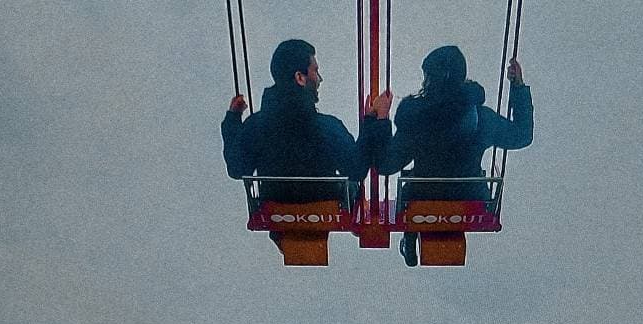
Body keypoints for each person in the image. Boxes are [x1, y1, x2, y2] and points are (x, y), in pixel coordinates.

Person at [372, 45, 534, 266]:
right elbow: (521, 135)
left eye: (427, 77)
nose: (423, 83)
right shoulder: (482, 118)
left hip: (423, 196)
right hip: (469, 196)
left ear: (437, 78)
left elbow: (386, 165)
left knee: (412, 187)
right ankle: (413, 233)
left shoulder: (416, 119)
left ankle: (410, 234)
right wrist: (518, 87)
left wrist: (379, 121)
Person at [221, 39, 390, 249]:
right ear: (300, 78)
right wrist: (371, 123)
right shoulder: (326, 128)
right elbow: (355, 169)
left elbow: (237, 168)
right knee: (352, 187)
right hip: (325, 205)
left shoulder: (256, 126)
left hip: (276, 206)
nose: (319, 79)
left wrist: (232, 121)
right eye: (315, 71)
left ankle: (285, 231)